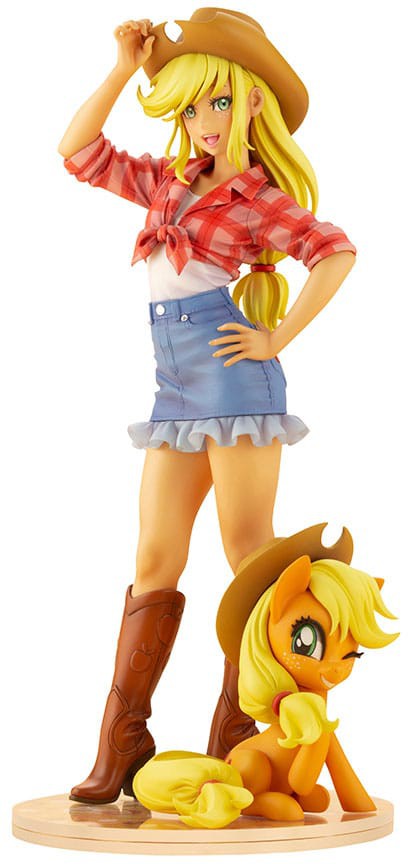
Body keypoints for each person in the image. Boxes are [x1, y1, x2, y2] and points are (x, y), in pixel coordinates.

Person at [58, 8, 356, 804]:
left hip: (232, 381)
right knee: (154, 559)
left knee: (249, 552)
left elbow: (333, 251)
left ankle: (243, 724)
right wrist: (124, 69)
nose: (203, 120)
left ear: (252, 101)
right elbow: (78, 152)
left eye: (216, 101)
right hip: (173, 388)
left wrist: (277, 337)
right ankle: (123, 742)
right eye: (190, 106)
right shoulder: (168, 179)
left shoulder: (258, 200)